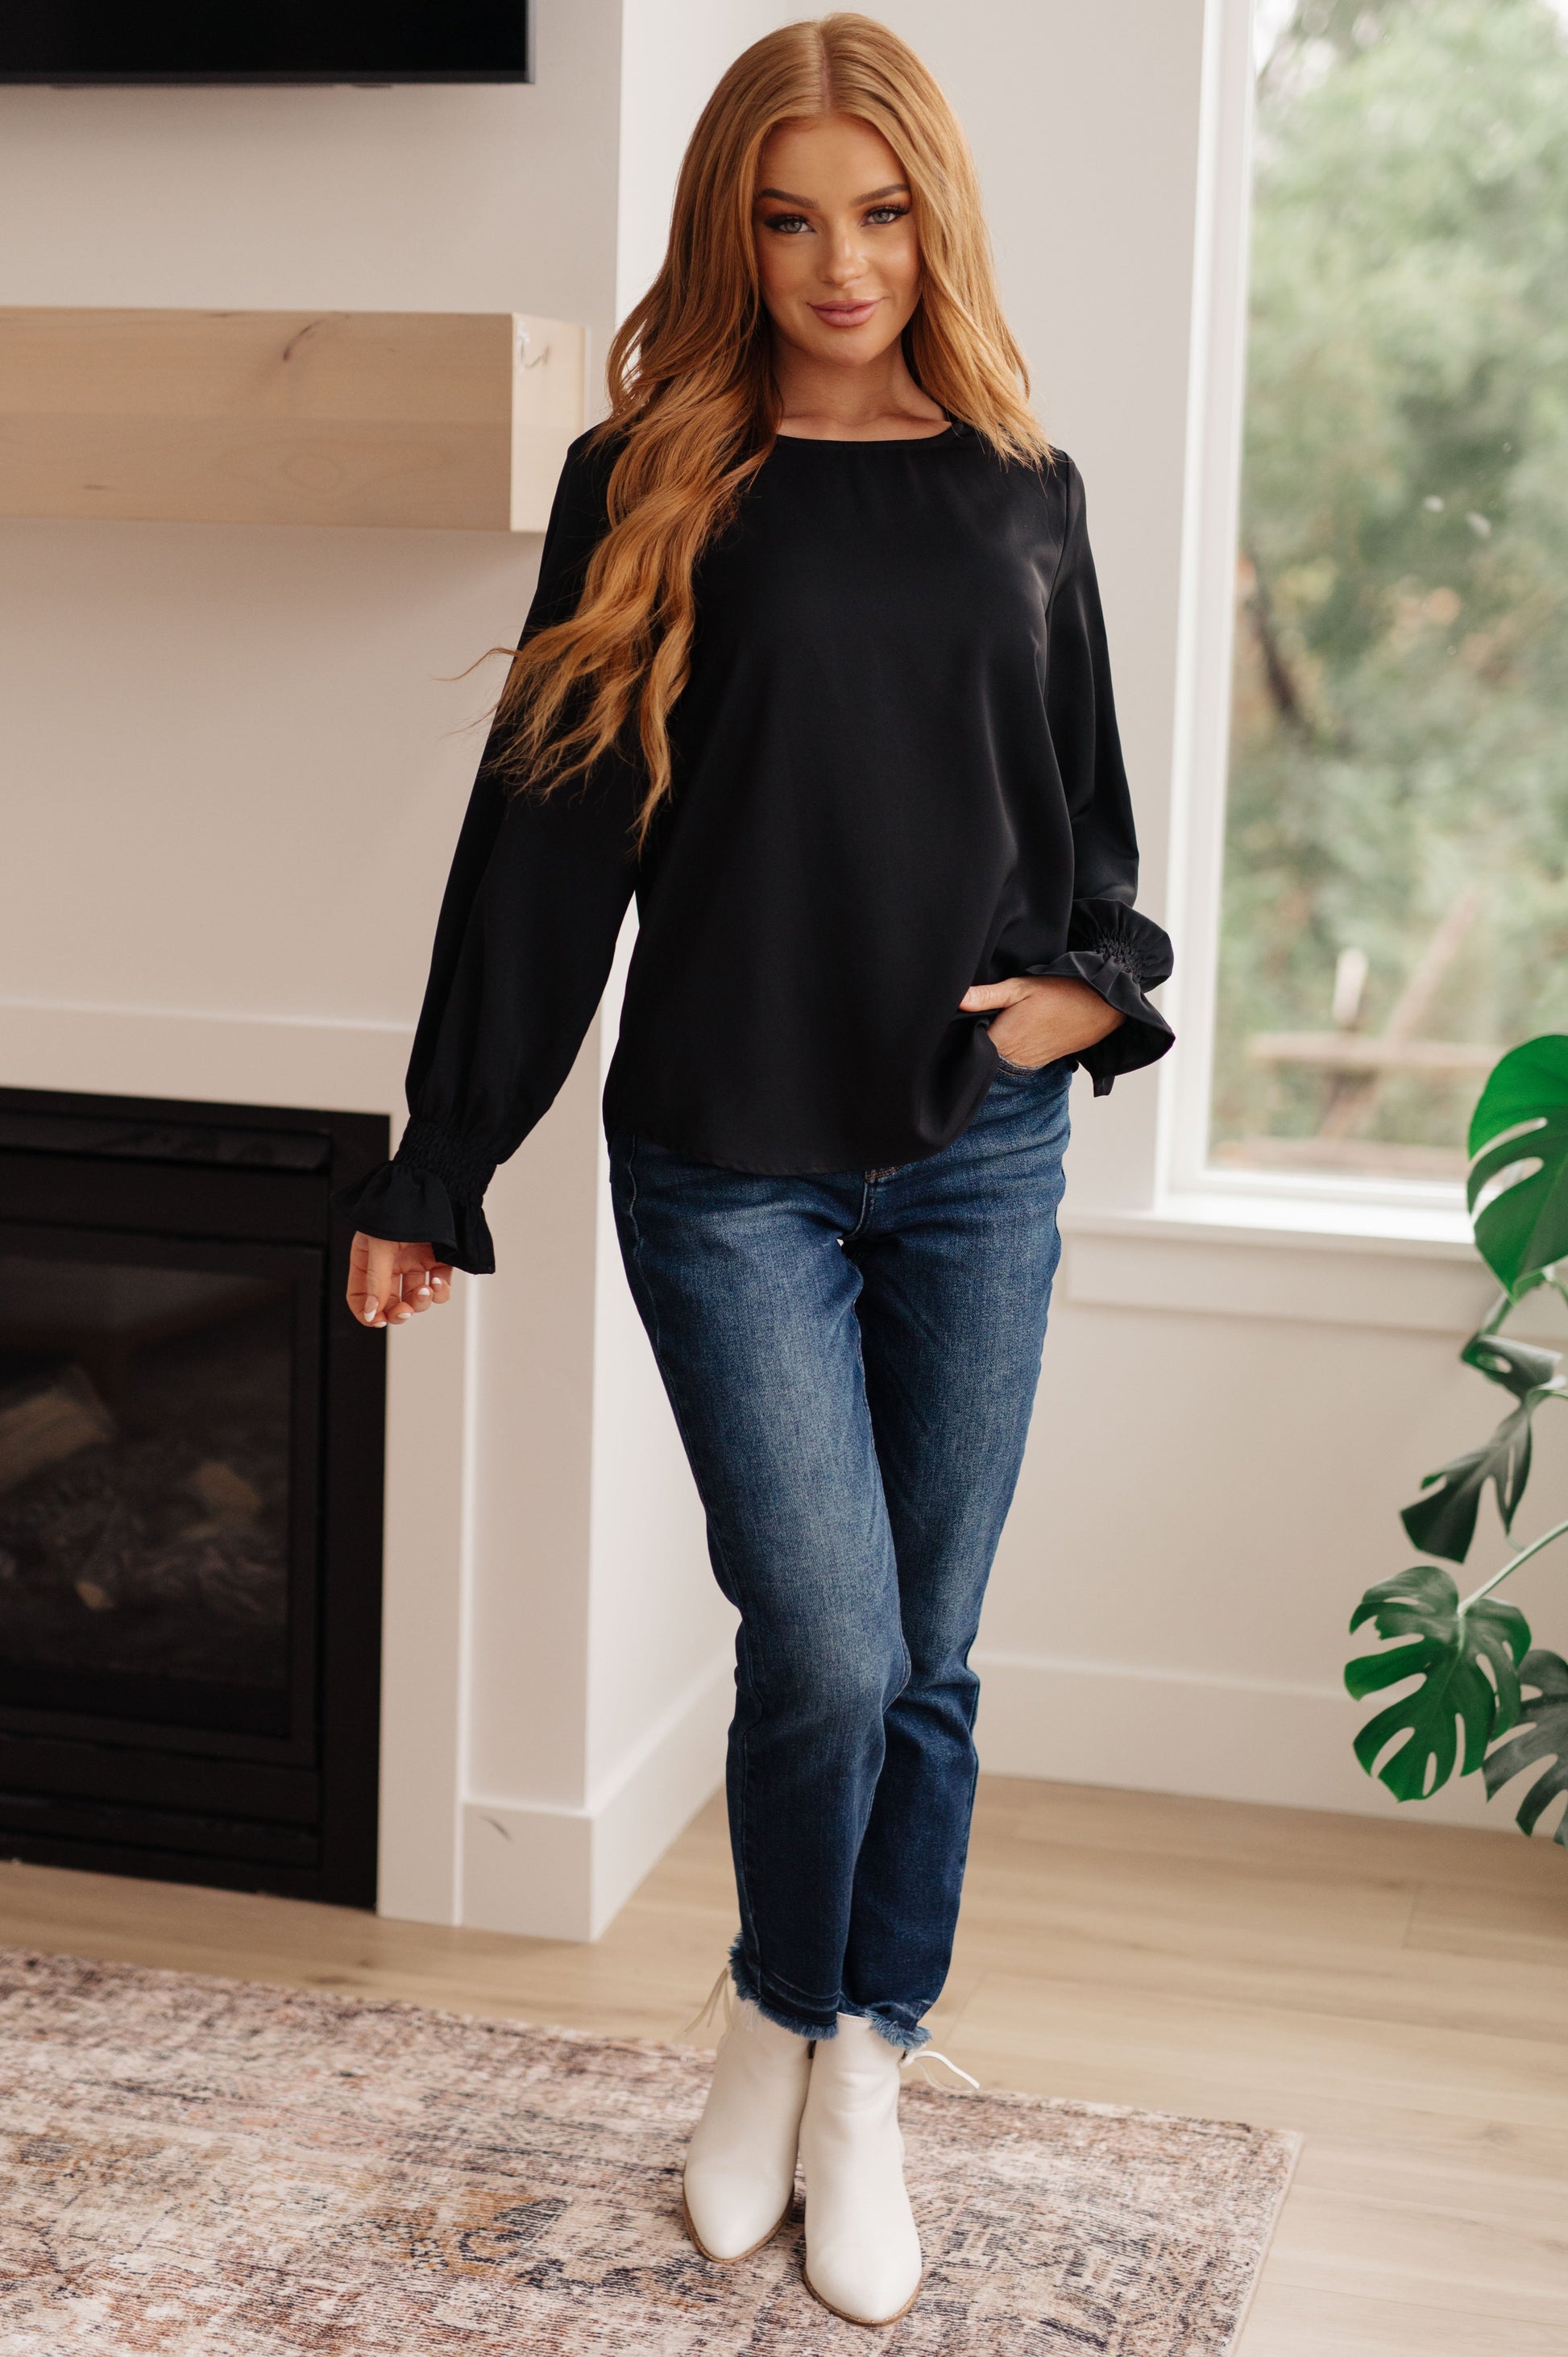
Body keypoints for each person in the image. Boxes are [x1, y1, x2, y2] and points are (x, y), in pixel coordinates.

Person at [338, 11, 1172, 2330]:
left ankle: (855, 2067)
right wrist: (436, 1159)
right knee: (827, 1640)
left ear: (935, 220)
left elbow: (1089, 827)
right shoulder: (648, 481)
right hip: (728, 1164)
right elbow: (540, 848)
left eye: (879, 215)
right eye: (789, 220)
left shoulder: (1024, 489)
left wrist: (1093, 989)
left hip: (981, 1152)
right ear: (733, 233)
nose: (839, 264)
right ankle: (773, 2021)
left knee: (929, 1655)